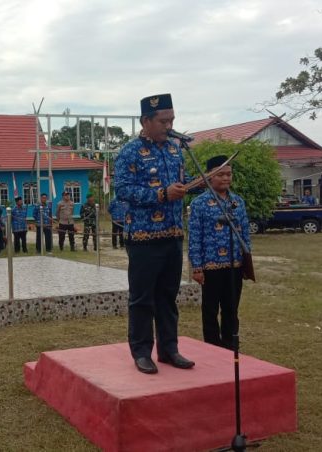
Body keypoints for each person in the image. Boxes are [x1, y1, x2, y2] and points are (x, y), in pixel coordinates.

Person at [114, 93, 200, 374]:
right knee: (142, 298)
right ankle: (141, 352)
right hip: (143, 238)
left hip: (173, 233)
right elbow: (124, 191)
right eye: (164, 120)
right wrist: (162, 194)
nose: (169, 125)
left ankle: (169, 349)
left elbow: (182, 184)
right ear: (146, 121)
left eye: (172, 119)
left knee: (168, 296)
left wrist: (195, 184)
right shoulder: (129, 151)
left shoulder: (177, 149)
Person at [189, 155, 252, 350]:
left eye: (229, 174)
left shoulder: (238, 202)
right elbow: (194, 236)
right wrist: (197, 267)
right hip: (211, 266)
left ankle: (231, 346)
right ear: (209, 177)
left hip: (234, 264)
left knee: (231, 309)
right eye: (221, 174)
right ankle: (212, 348)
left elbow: (245, 232)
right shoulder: (199, 203)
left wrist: (246, 260)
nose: (226, 178)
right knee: (210, 310)